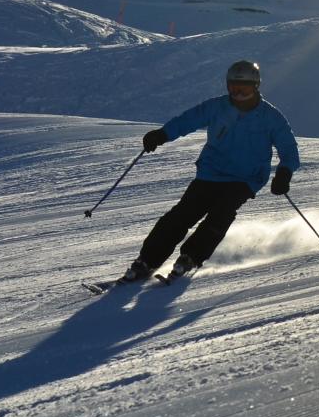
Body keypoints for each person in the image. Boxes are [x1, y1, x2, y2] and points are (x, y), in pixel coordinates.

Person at [121, 59, 300, 283]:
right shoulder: (217, 107)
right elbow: (188, 120)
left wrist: (284, 172)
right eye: (233, 86)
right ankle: (146, 260)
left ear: (256, 86)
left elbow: (289, 150)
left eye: (243, 87)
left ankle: (190, 257)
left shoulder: (271, 117)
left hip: (245, 178)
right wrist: (162, 134)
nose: (237, 92)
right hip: (211, 172)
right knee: (182, 214)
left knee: (222, 213)